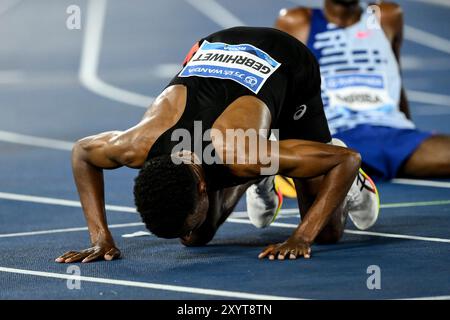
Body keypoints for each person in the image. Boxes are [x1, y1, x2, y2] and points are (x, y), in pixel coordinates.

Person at [55, 26, 377, 264]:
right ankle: (268, 170)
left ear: (201, 187)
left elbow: (346, 159)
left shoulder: (243, 153)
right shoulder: (136, 145)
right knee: (197, 238)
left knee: (327, 233)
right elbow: (82, 153)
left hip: (285, 59)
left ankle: (345, 182)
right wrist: (100, 238)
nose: (185, 234)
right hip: (214, 55)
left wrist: (300, 236)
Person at [275, 0, 450, 182]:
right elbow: (283, 90)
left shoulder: (386, 16)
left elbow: (394, 75)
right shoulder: (297, 21)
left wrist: (409, 129)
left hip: (394, 134)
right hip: (334, 137)